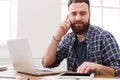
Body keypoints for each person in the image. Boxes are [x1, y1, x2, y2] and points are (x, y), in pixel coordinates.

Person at [43, 0, 120, 76]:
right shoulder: (68, 39)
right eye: (73, 14)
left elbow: (118, 70)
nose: (78, 18)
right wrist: (58, 35)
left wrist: (98, 67)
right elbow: (47, 64)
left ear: (89, 14)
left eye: (82, 13)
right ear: (68, 16)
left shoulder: (104, 37)